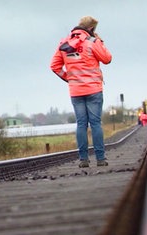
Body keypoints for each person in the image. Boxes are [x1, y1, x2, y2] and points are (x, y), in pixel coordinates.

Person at [50, 16, 112, 168]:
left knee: (81, 124)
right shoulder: (92, 42)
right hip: (94, 90)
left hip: (76, 91)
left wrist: (69, 78)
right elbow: (107, 58)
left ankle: (83, 160)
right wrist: (99, 41)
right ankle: (100, 159)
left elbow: (54, 66)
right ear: (91, 29)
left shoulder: (64, 43)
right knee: (95, 123)